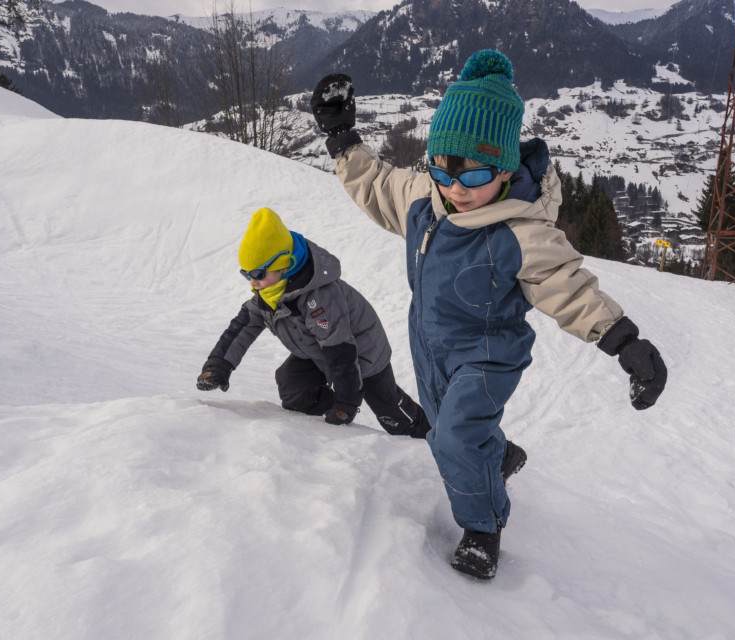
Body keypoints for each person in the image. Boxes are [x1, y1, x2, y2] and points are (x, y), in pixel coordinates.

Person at [310, 50, 667, 580]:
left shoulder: (521, 234)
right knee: (445, 432)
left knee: (454, 437)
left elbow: (569, 287)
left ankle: (483, 527)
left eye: (472, 173)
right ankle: (497, 457)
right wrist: (340, 136)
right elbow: (378, 182)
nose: (455, 187)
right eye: (442, 167)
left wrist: (625, 342)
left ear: (502, 170)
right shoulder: (427, 200)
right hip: (430, 347)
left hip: (488, 353)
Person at [196, 206, 432, 439]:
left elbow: (340, 348)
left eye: (257, 274)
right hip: (317, 351)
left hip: (363, 355)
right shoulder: (269, 294)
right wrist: (217, 366)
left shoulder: (319, 298)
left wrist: (347, 400)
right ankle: (329, 420)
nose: (252, 282)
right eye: (246, 274)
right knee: (293, 387)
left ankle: (426, 435)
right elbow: (241, 328)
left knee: (390, 410)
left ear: (283, 265)